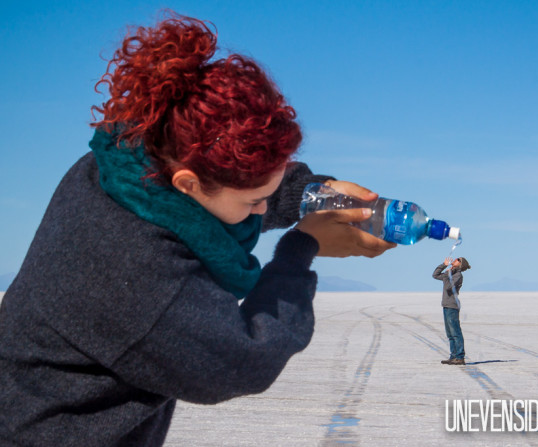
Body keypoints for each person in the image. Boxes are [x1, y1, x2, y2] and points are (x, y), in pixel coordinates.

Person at [0, 13, 395, 446]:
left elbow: (230, 193)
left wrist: (311, 193)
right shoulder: (140, 277)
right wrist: (302, 247)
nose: (262, 209)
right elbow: (245, 360)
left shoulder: (125, 164)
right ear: (188, 183)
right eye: (254, 200)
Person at [432, 256, 471, 365]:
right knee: (450, 333)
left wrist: (448, 274)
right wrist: (444, 265)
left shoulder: (458, 275)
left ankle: (459, 356)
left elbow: (449, 287)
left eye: (458, 260)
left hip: (452, 306)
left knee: (455, 332)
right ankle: (453, 356)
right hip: (446, 305)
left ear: (460, 264)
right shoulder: (450, 273)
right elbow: (435, 275)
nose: (455, 260)